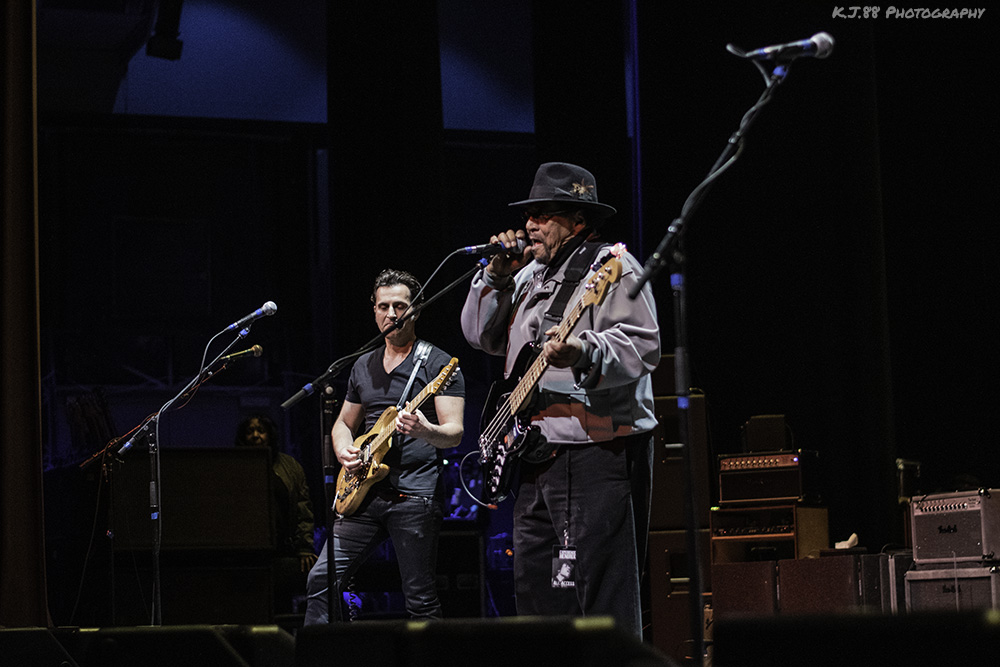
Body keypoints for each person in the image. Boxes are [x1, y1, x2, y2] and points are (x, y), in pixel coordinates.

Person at [461, 162, 659, 637]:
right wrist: (496, 278)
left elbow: (643, 344)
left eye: (545, 214)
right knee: (538, 592)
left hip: (595, 451)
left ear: (578, 221)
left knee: (600, 594)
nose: (530, 223)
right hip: (533, 454)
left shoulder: (613, 266)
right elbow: (478, 336)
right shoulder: (526, 274)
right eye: (530, 212)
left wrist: (584, 350)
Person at [304, 268, 466, 624]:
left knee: (420, 599)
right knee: (321, 579)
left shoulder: (439, 363)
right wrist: (345, 450)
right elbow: (344, 423)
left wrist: (425, 430)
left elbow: (454, 432)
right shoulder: (362, 364)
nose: (391, 314)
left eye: (399, 306)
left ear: (416, 309)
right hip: (363, 493)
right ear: (374, 310)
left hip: (414, 496)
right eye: (383, 306)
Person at [235, 413, 317, 614]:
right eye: (250, 431)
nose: (255, 436)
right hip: (246, 554)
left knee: (282, 610)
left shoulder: (289, 466)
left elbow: (303, 508)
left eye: (261, 430)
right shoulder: (235, 466)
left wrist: (304, 547)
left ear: (270, 435)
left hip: (282, 550)